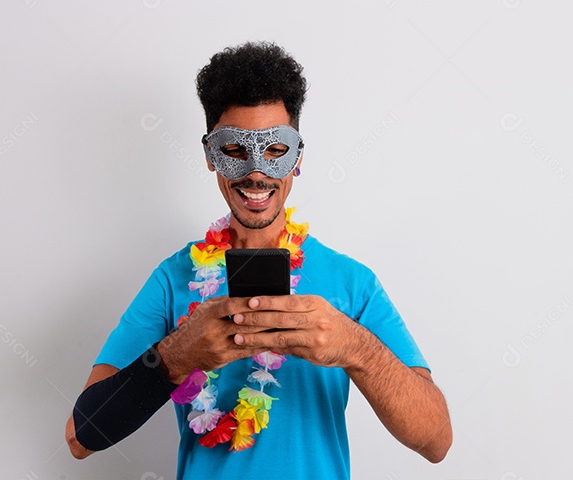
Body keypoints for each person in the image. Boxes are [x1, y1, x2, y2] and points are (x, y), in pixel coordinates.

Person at [65, 41, 452, 478]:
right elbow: (81, 439)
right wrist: (175, 356)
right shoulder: (172, 279)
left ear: (298, 156)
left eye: (274, 150)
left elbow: (436, 441)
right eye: (234, 150)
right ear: (211, 155)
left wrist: (353, 347)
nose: (256, 171)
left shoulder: (351, 283)